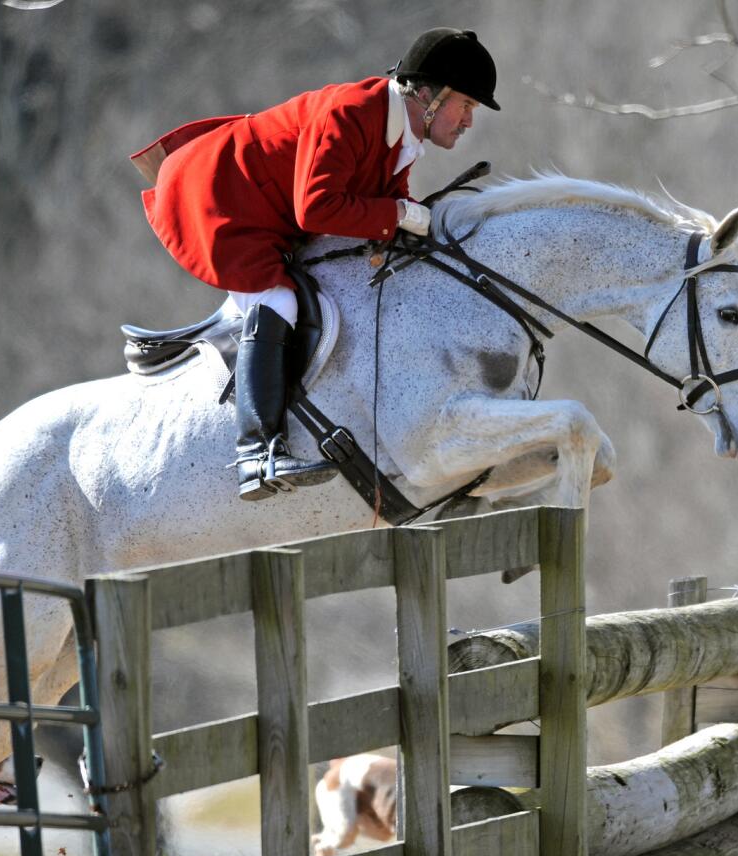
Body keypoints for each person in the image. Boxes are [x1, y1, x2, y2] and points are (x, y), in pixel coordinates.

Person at [132, 28, 500, 501]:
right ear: (428, 96)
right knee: (279, 299)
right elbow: (319, 208)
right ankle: (256, 453)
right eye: (466, 105)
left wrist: (414, 223)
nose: (469, 121)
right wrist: (401, 216)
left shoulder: (400, 135)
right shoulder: (351, 113)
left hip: (269, 206)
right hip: (217, 196)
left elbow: (382, 200)